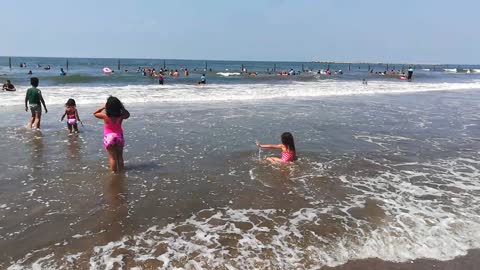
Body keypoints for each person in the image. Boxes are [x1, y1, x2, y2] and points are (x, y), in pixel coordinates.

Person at [93, 96, 130, 172]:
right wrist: (122, 108)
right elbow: (127, 115)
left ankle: (114, 174)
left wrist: (103, 107)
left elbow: (95, 113)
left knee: (112, 157)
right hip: (119, 136)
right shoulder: (121, 116)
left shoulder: (105, 116)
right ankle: (121, 171)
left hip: (109, 137)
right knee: (120, 156)